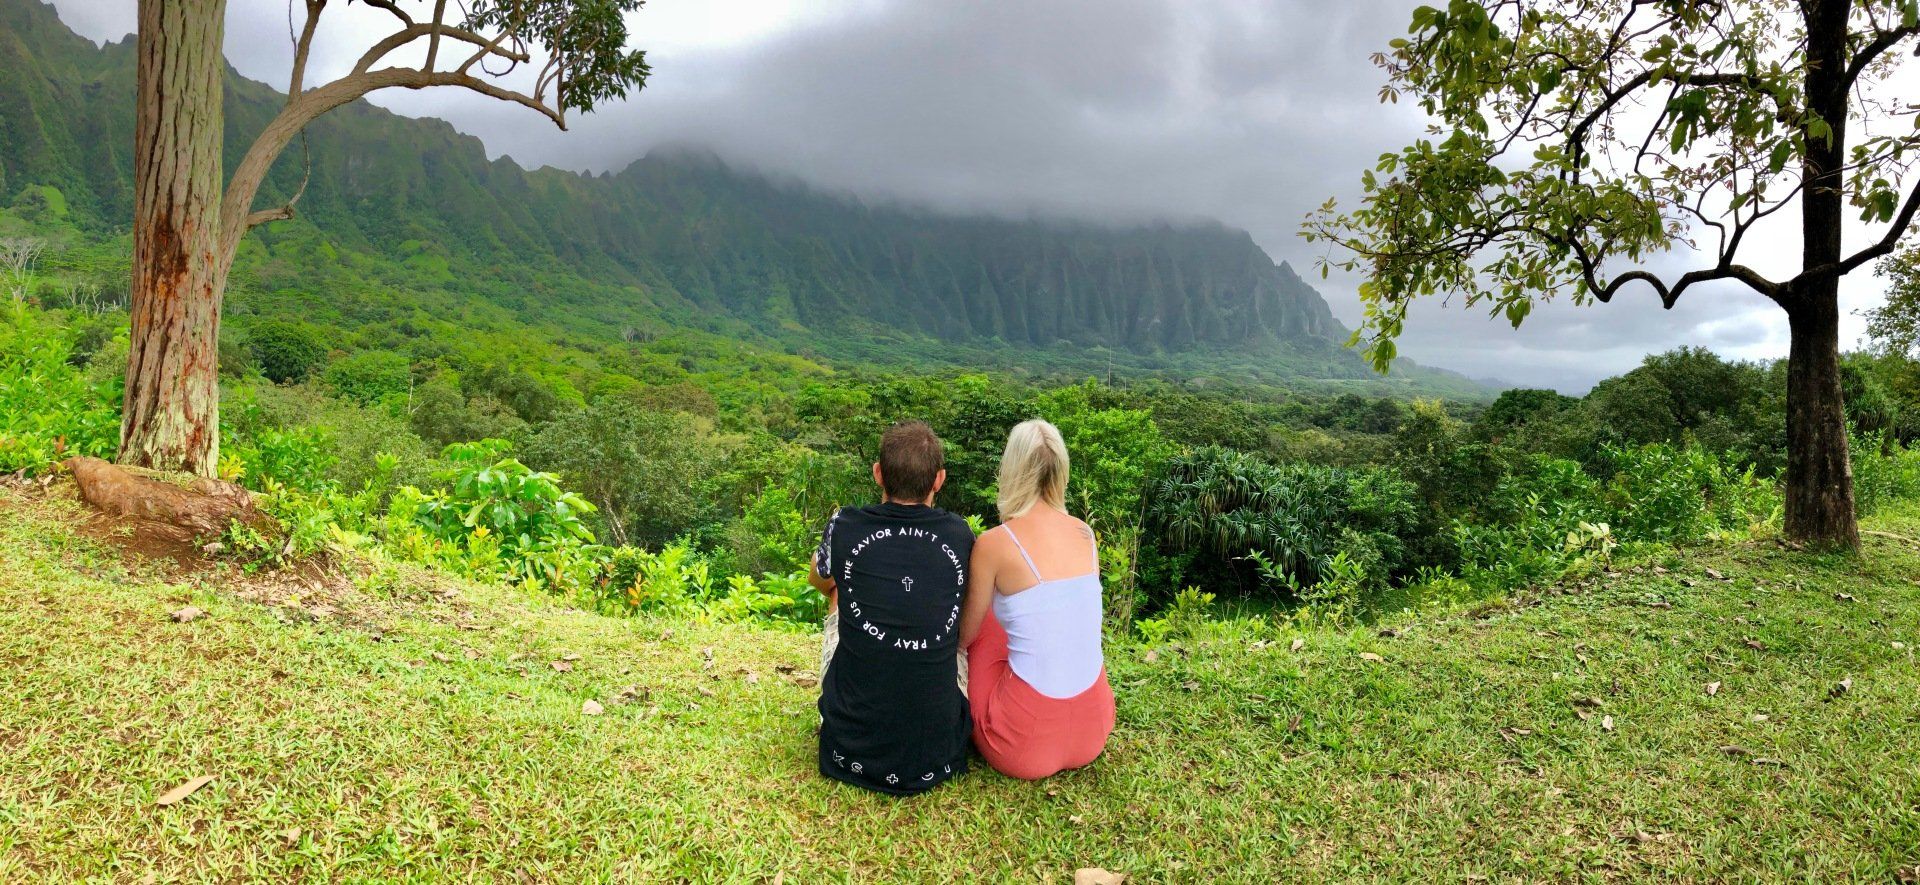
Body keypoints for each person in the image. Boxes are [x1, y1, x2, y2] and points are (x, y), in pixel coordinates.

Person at [808, 420, 973, 795]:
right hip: (939, 750)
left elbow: (818, 579)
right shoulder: (959, 534)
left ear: (878, 474)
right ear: (939, 480)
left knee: (838, 592)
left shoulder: (846, 523)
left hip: (846, 748)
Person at [960, 419, 1115, 780]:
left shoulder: (994, 543)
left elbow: (964, 638)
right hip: (1094, 729)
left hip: (1021, 743)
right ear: (1061, 472)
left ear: (1011, 470)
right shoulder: (1084, 533)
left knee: (985, 623)